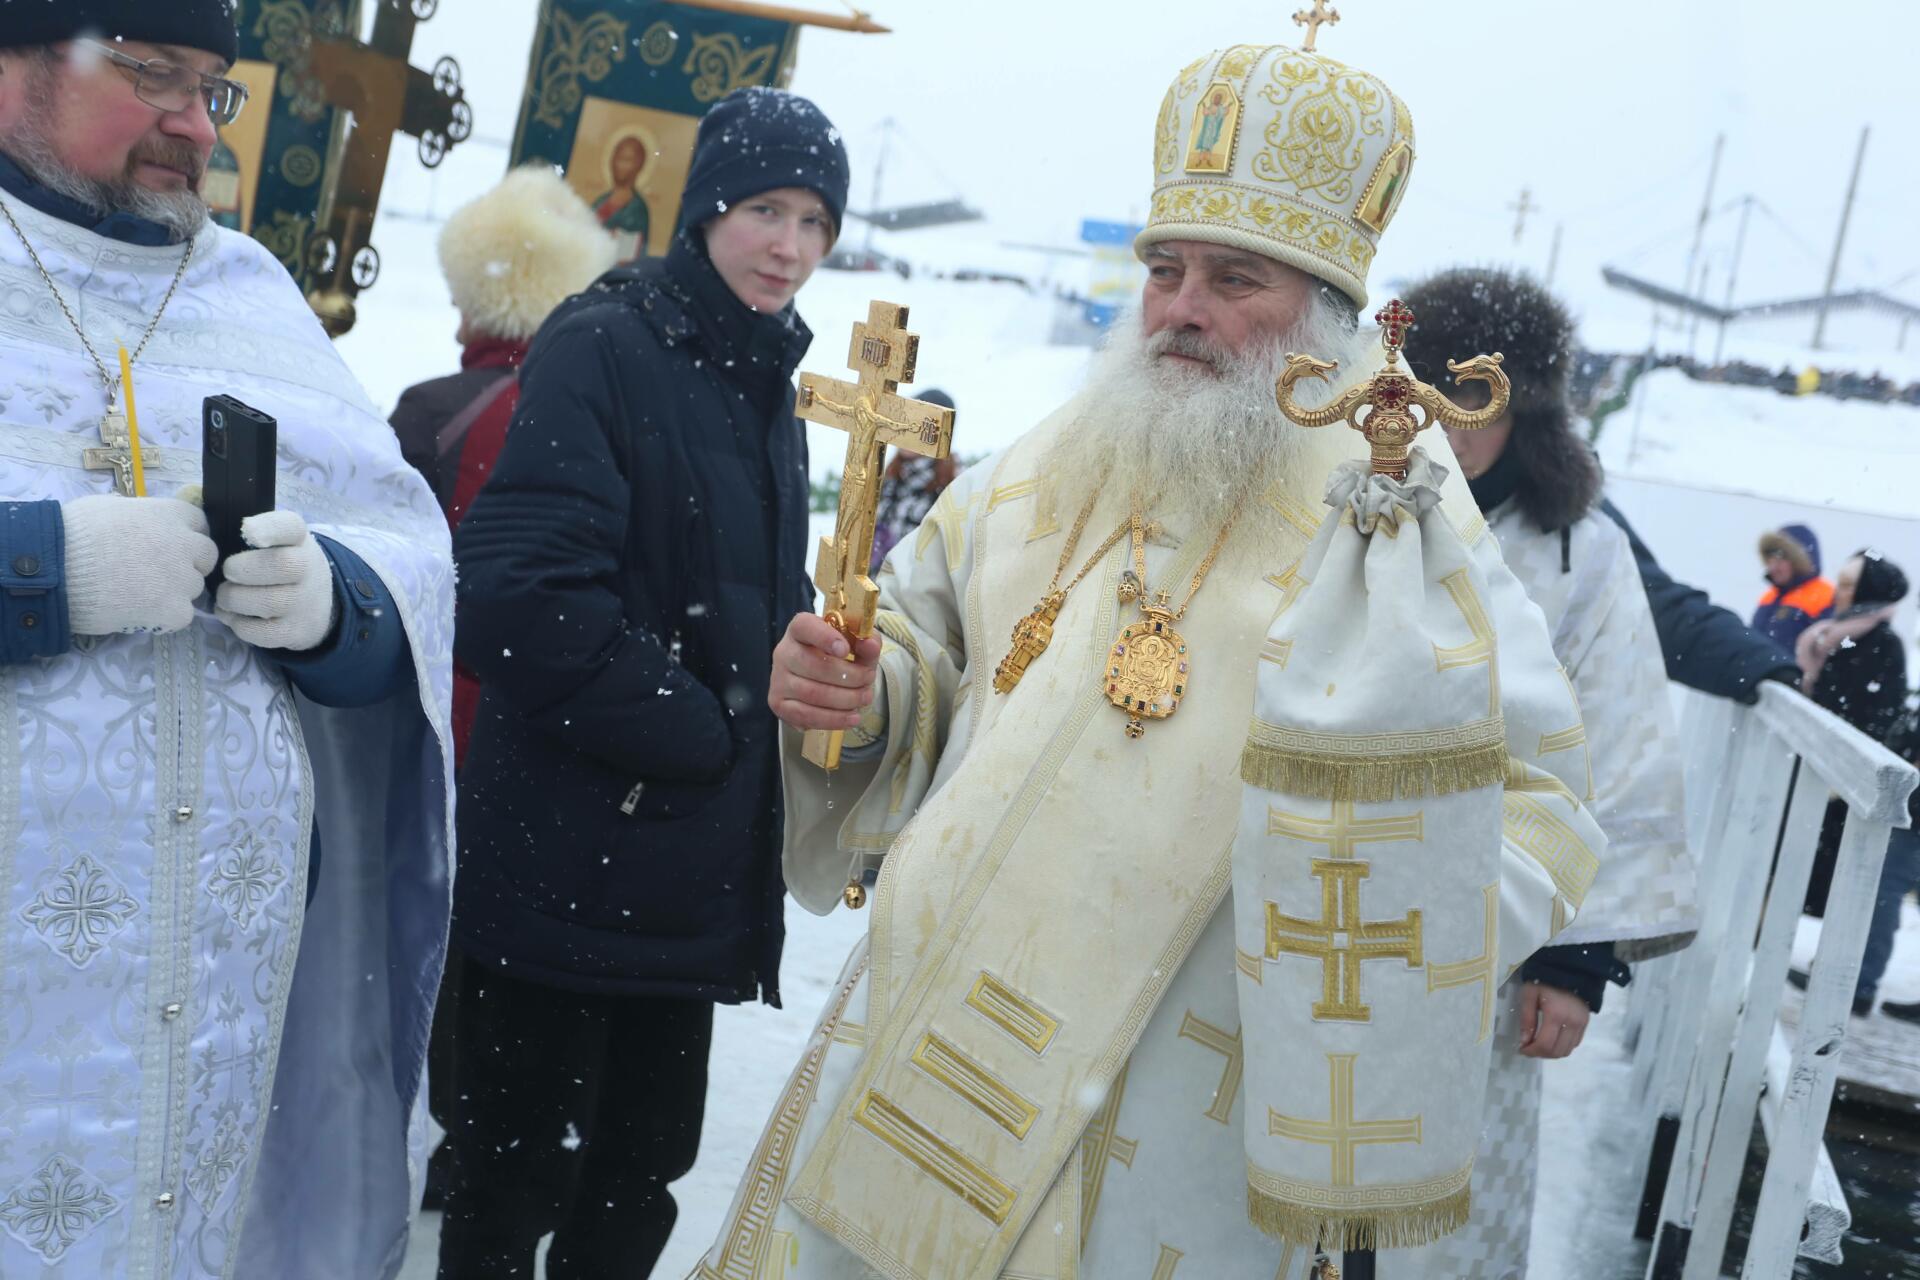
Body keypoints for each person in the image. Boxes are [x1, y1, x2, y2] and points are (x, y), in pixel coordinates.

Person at [691, 42, 1624, 1280]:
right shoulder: (1061, 451)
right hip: (928, 1014)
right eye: (1165, 269)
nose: (1183, 307)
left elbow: (1541, 805)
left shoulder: (1396, 508)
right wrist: (857, 694)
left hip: (1174, 1084)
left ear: (1326, 313)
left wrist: (1335, 899)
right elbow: (925, 649)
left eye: (1235, 279)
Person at [0, 8, 454, 1279]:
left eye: (215, 90)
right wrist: (45, 567)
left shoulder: (248, 293)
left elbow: (413, 568)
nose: (196, 125)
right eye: (154, 75)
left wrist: (335, 607)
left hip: (205, 1009)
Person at [440, 87, 848, 1278]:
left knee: (637, 1181)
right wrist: (709, 730)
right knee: (513, 1182)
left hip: (682, 875)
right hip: (569, 863)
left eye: (815, 222)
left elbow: (728, 591)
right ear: (706, 205)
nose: (789, 247)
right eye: (765, 210)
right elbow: (516, 592)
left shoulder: (763, 375)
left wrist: (807, 654)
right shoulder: (607, 343)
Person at [1398, 267, 1698, 1274]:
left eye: (1476, 401)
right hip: (1314, 894)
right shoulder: (1337, 505)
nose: (1448, 425)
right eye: (1429, 394)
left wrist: (1575, 962)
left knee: (1442, 1184)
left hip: (1487, 911)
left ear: (1524, 413)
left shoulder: (1584, 554)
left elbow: (1619, 745)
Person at [388, 164, 616, 768]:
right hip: (549, 722)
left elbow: (381, 571)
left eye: (461, 299)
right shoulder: (607, 413)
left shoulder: (434, 409)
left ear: (481, 301)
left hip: (434, 708)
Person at [1791, 549, 1910, 947]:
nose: (1836, 592)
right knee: (1794, 856)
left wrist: (1845, 765)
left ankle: (1831, 955)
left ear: (1866, 591)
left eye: (1846, 585)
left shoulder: (1883, 643)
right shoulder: (1833, 634)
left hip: (1840, 779)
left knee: (1832, 871)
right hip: (1810, 761)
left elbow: (1881, 713)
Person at [868, 387, 959, 574]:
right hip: (875, 582)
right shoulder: (889, 476)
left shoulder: (954, 486)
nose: (906, 429)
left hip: (919, 586)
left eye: (918, 424)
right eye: (905, 419)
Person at [1752, 522, 1834, 655]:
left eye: (1779, 561)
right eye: (1770, 561)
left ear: (1799, 561)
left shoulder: (1825, 597)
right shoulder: (1769, 597)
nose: (1773, 568)